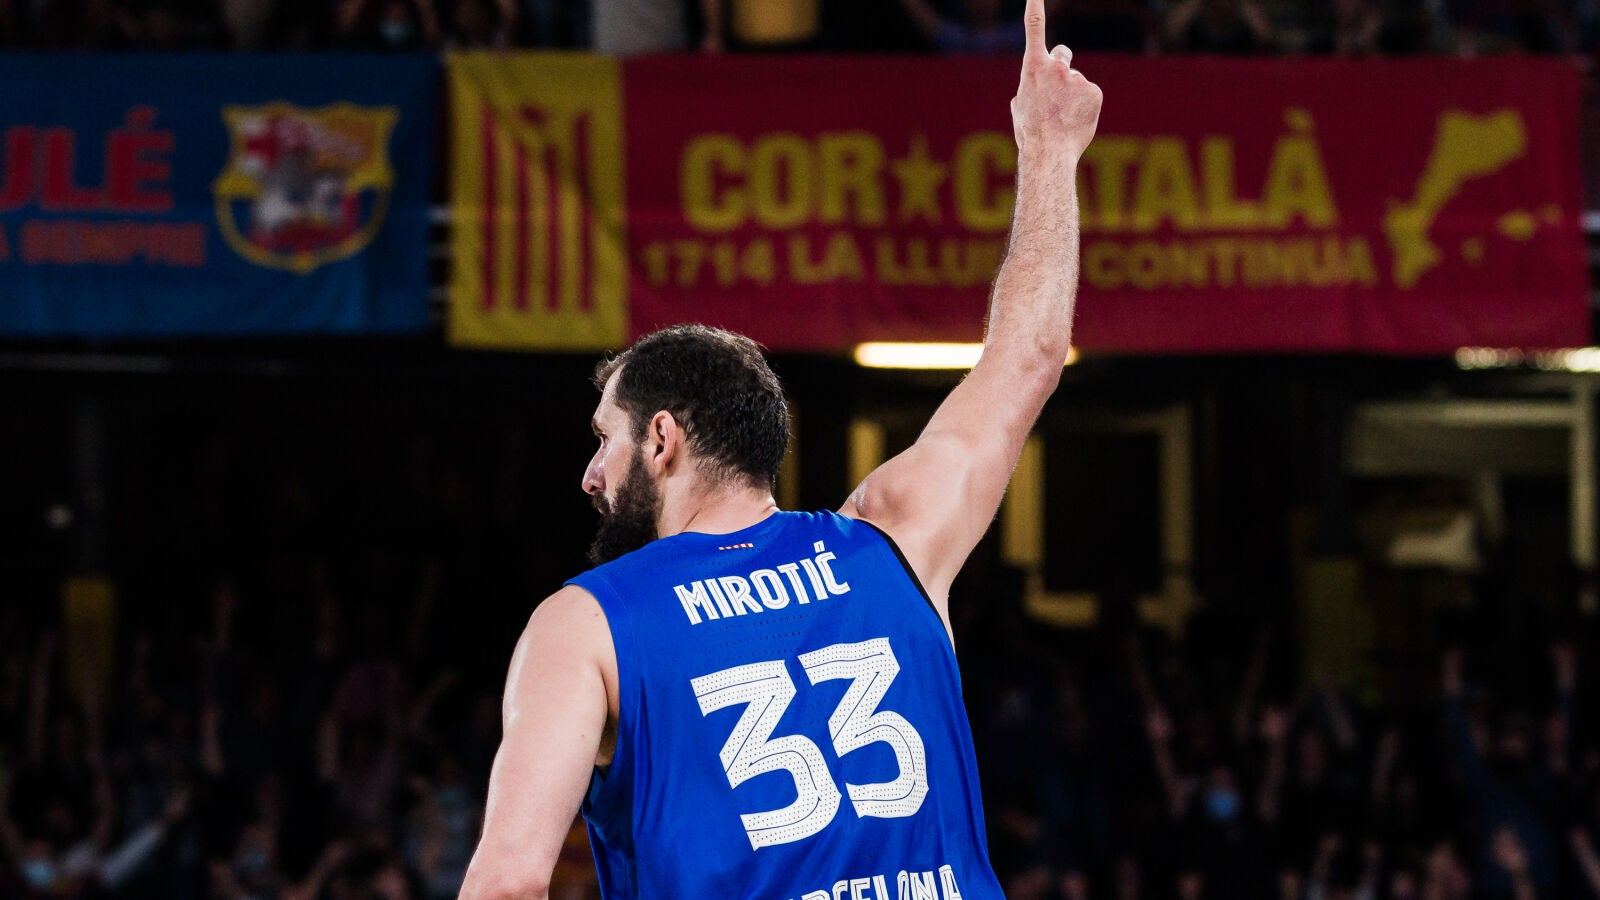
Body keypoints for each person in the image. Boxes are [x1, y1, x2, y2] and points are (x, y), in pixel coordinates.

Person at [459, 0, 1102, 894]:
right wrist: (1049, 155)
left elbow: (508, 882)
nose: (590, 474)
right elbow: (1027, 359)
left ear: (663, 439)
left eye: (604, 438)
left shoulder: (587, 624)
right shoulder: (893, 540)